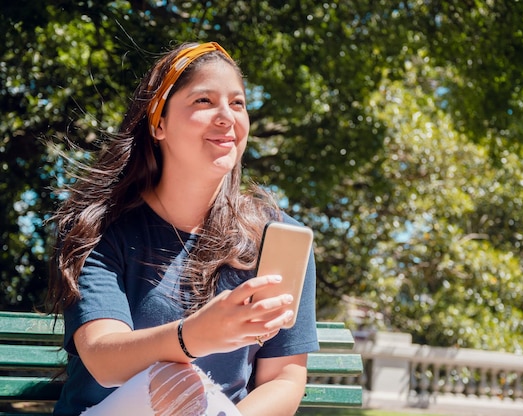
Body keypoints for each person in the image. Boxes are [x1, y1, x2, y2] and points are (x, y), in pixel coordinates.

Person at [46, 41, 319, 415]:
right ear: (158, 123)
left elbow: (284, 378)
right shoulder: (99, 226)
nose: (227, 117)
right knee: (172, 380)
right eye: (203, 101)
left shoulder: (276, 236)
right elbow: (103, 358)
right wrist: (196, 335)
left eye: (237, 103)